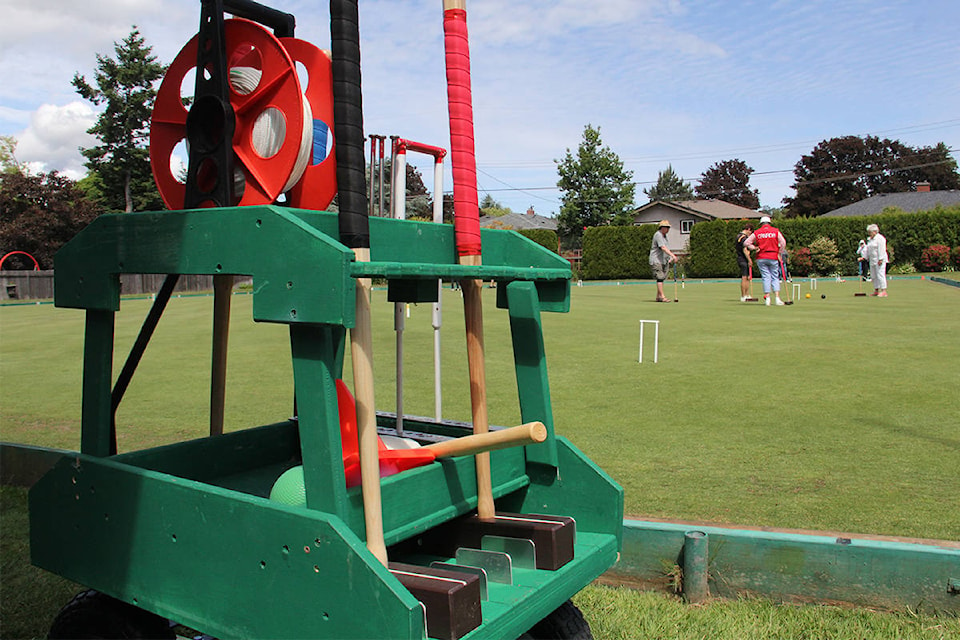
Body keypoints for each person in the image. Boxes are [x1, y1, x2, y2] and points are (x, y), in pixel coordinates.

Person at [743, 216, 787, 306]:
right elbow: (783, 242)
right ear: (769, 223)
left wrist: (754, 248)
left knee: (766, 277)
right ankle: (777, 298)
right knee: (775, 276)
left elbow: (746, 243)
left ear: (761, 224)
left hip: (761, 257)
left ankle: (767, 298)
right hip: (773, 256)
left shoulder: (757, 232)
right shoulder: (775, 231)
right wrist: (780, 252)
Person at [649, 220, 678, 302]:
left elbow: (666, 248)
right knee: (660, 278)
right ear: (662, 228)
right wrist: (672, 255)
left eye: (669, 227)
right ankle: (662, 296)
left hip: (662, 260)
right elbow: (663, 247)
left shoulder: (664, 236)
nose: (668, 229)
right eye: (667, 227)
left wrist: (669, 258)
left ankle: (658, 296)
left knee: (662, 278)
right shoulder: (658, 235)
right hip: (656, 260)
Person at [864, 223, 888, 296]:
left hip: (879, 260)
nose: (869, 234)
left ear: (875, 231)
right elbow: (868, 249)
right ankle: (876, 290)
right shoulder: (870, 240)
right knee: (873, 275)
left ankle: (883, 290)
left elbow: (882, 249)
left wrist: (880, 259)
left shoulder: (880, 238)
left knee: (880, 274)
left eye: (870, 232)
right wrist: (865, 257)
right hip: (872, 260)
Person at [735, 223, 754, 302]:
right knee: (744, 277)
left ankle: (747, 294)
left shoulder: (738, 236)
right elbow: (745, 250)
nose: (751, 234)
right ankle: (743, 296)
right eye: (751, 232)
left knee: (747, 277)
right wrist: (749, 259)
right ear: (749, 229)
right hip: (743, 259)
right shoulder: (743, 238)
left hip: (741, 258)